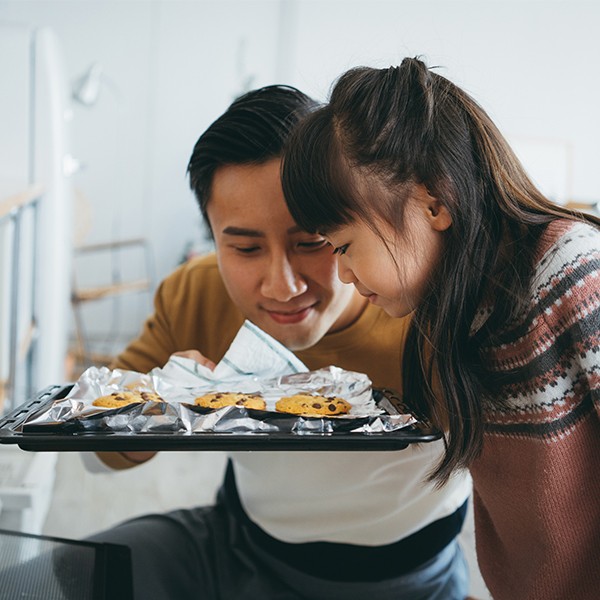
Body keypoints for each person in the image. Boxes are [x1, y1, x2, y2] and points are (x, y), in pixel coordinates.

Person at [80, 85, 473, 600]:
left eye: (312, 242)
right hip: (238, 547)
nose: (282, 286)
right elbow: (90, 453)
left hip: (412, 576)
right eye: (244, 247)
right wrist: (161, 410)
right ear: (212, 239)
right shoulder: (196, 294)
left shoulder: (431, 308)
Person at [280, 58, 600, 600]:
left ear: (432, 202)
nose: (343, 272)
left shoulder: (569, 271)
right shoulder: (452, 309)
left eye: (344, 245)